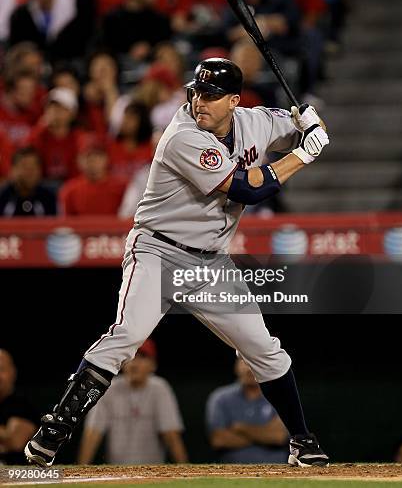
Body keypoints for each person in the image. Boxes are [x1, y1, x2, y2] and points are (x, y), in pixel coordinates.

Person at [25, 57, 330, 468]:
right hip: (157, 251)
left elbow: (292, 123)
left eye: (211, 95)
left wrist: (307, 122)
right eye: (196, 92)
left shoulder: (256, 121)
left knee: (264, 349)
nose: (199, 101)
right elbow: (245, 189)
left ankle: (301, 440)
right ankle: (53, 430)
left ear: (234, 101)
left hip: (210, 263)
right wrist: (303, 155)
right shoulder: (182, 136)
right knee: (127, 335)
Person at [78, 340, 187, 464]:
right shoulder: (109, 389)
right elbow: (93, 433)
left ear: (153, 364)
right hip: (117, 473)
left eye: (142, 358)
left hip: (153, 474)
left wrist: (185, 473)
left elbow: (171, 435)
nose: (134, 364)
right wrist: (82, 469)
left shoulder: (160, 388)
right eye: (131, 357)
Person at [206, 358, 288, 463]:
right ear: (236, 367)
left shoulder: (280, 396)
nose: (249, 369)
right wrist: (264, 435)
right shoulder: (220, 398)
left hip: (277, 471)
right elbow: (219, 439)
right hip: (233, 472)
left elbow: (279, 436)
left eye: (254, 362)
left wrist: (241, 429)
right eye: (244, 361)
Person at [59, 138, 126, 217]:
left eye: (98, 155)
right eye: (87, 155)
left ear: (107, 158)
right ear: (78, 160)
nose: (93, 160)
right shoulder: (70, 190)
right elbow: (66, 224)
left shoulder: (122, 187)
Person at [0, 349, 37, 465]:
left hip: (16, 474)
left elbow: (15, 442)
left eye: (1, 369)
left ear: (13, 372)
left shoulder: (22, 405)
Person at [0, 146, 57, 217]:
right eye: (24, 167)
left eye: (33, 167)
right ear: (13, 170)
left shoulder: (48, 198)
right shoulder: (2, 197)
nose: (29, 172)